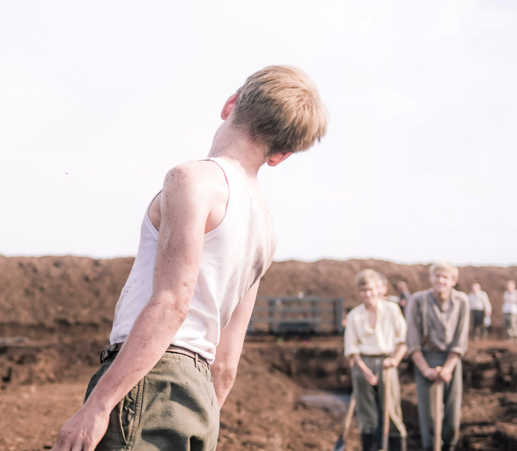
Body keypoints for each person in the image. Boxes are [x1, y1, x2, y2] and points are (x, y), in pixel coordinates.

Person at [53, 65, 328, 451]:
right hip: (200, 401)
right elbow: (228, 361)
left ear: (230, 104)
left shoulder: (194, 179)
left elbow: (171, 304)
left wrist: (99, 407)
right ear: (281, 154)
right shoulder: (265, 230)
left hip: (147, 381)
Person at [406, 261, 469, 451]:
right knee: (430, 416)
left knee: (451, 415)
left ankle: (449, 446)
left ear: (453, 281)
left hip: (451, 361)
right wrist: (425, 370)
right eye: (437, 276)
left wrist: (448, 369)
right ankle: (430, 447)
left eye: (445, 277)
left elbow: (460, 340)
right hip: (425, 359)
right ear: (430, 278)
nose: (440, 280)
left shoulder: (462, 302)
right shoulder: (418, 301)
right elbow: (413, 341)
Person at [344, 269, 408, 451]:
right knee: (367, 416)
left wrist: (395, 360)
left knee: (393, 413)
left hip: (387, 364)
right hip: (362, 364)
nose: (368, 294)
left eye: (371, 289)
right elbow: (352, 348)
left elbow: (404, 341)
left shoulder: (392, 310)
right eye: (363, 290)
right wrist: (364, 370)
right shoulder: (354, 315)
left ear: (379, 289)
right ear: (359, 292)